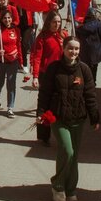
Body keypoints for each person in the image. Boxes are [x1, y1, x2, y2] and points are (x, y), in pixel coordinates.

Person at [37, 36, 101, 201]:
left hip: (78, 118)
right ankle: (58, 186)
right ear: (63, 49)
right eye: (70, 48)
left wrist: (95, 116)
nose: (73, 52)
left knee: (74, 156)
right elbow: (44, 93)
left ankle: (71, 189)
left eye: (76, 49)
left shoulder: (84, 69)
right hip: (58, 117)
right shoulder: (54, 69)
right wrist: (41, 112)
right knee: (67, 151)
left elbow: (90, 95)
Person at [32, 12, 67, 144]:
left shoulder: (63, 36)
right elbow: (37, 57)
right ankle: (43, 135)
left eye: (59, 22)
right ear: (49, 23)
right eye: (54, 22)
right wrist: (35, 76)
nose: (57, 24)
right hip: (46, 75)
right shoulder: (42, 37)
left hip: (61, 73)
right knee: (44, 105)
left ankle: (60, 132)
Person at [0, 11, 22, 116]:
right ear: (1, 19)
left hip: (13, 62)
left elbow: (19, 46)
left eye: (9, 18)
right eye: (5, 18)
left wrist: (21, 62)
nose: (7, 20)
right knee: (0, 82)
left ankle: (10, 107)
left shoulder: (16, 30)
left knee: (11, 84)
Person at [76, 5, 101, 85]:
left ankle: (86, 81)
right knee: (94, 67)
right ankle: (93, 81)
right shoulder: (97, 24)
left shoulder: (80, 27)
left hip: (84, 50)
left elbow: (77, 38)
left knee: (85, 67)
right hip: (96, 50)